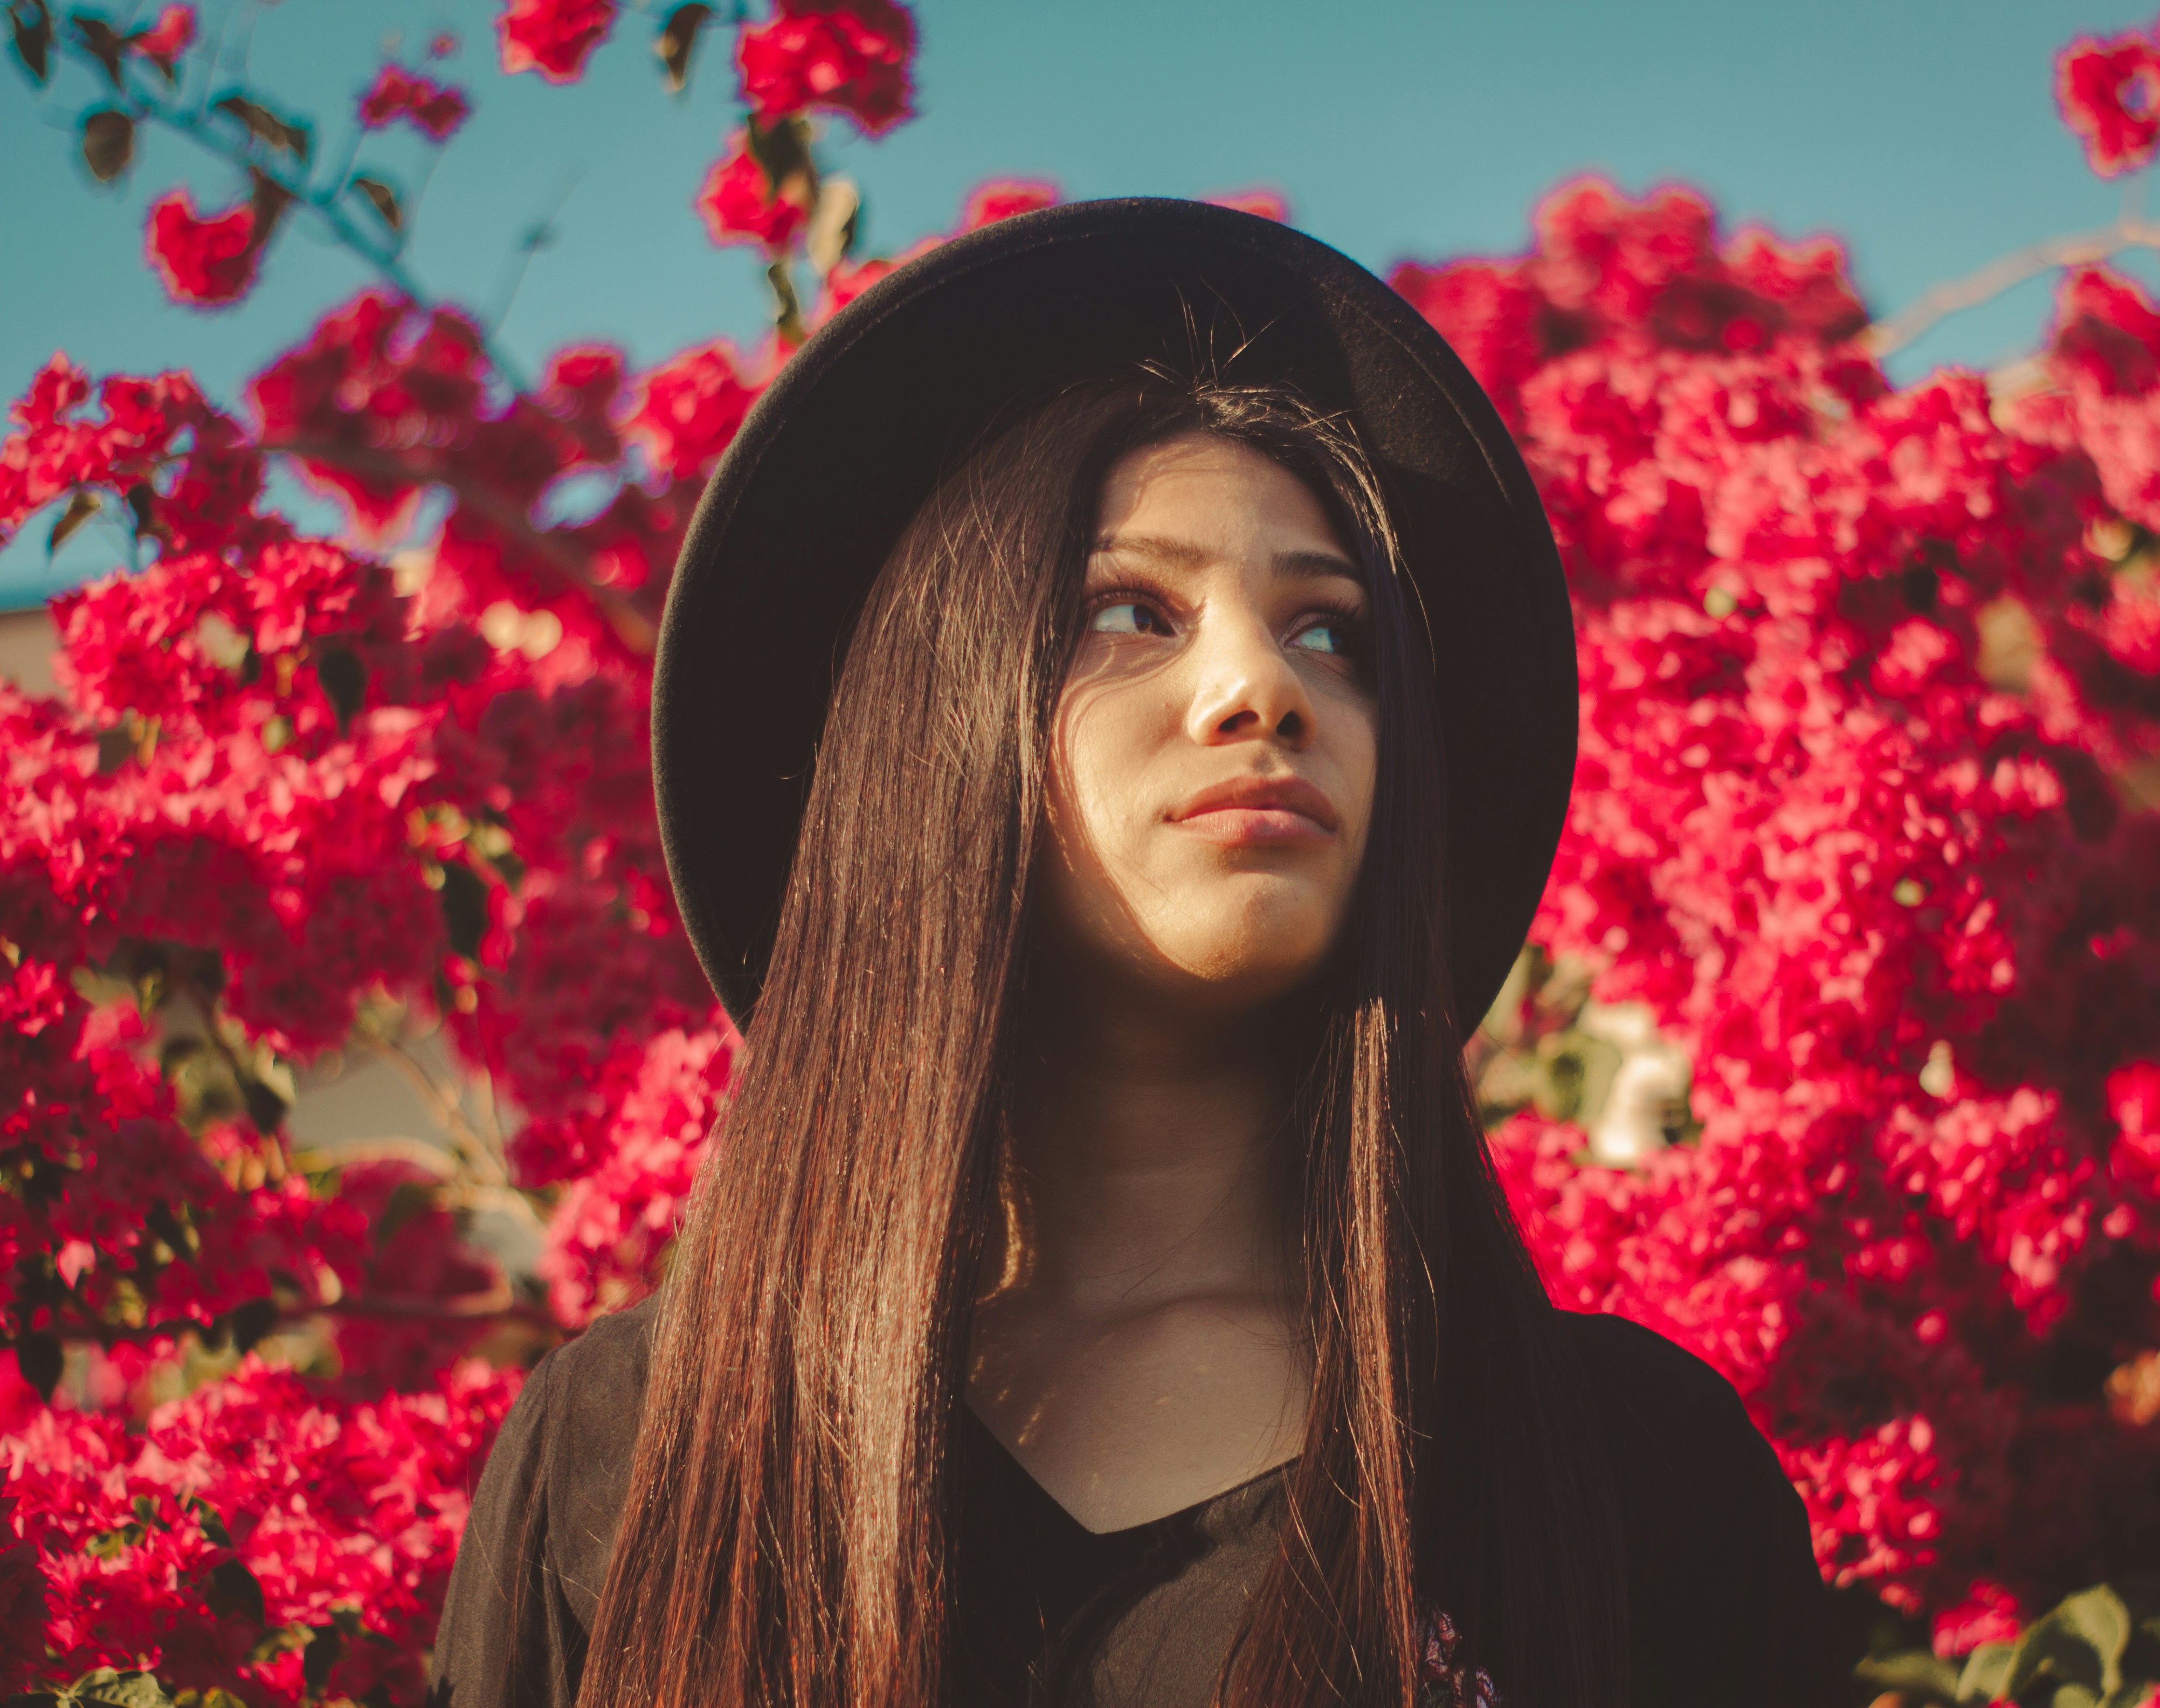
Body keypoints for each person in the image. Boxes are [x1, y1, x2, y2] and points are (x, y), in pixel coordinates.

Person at [431, 198, 1835, 1708]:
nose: (1261, 689)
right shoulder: (626, 1457)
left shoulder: (1639, 1485)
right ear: (931, 730)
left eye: (1332, 633)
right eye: (1130, 611)